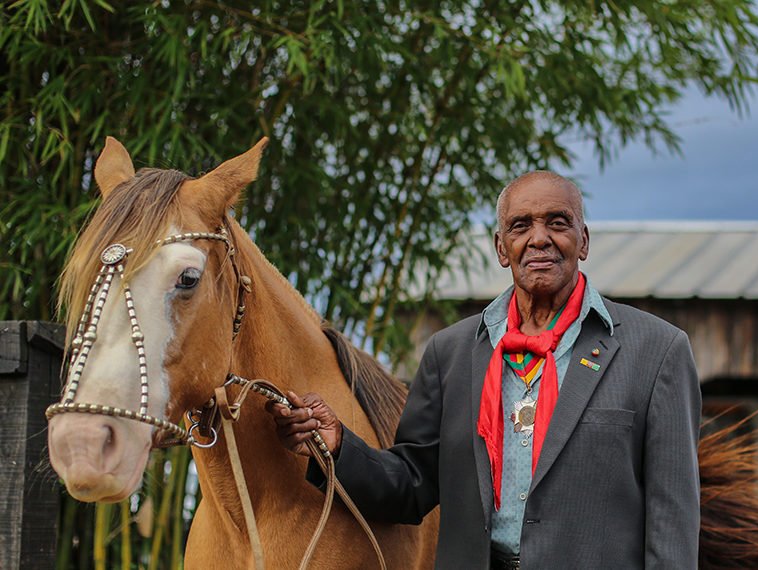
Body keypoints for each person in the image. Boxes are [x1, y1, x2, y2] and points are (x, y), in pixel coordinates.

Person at [268, 171, 702, 569]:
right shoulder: (451, 354)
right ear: (500, 248)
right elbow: (412, 485)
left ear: (583, 241)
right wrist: (336, 445)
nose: (539, 238)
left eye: (557, 222)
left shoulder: (656, 352)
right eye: (520, 226)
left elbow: (672, 520)